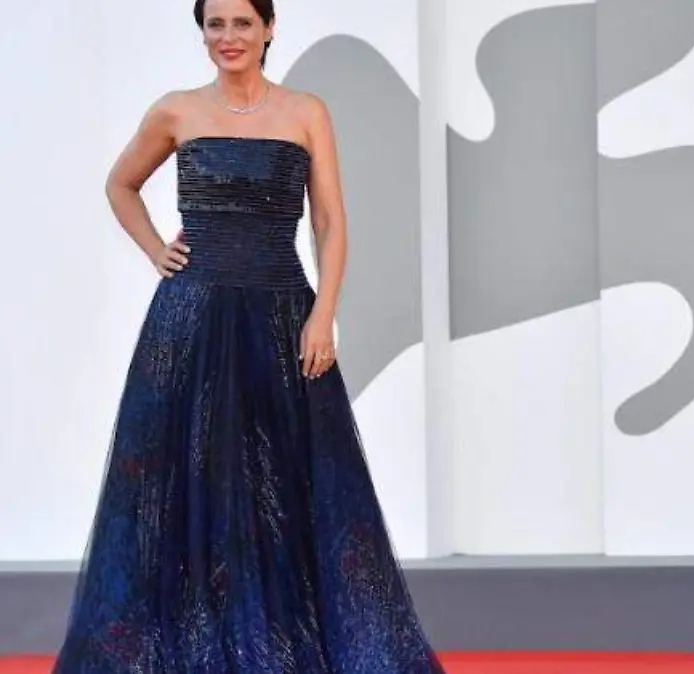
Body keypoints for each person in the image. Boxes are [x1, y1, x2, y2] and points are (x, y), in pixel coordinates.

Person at [51, 0, 445, 671]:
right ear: (202, 33)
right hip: (190, 322)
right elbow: (121, 185)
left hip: (281, 317)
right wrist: (156, 251)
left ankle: (277, 644)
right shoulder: (176, 110)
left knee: (286, 481)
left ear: (268, 29)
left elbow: (330, 221)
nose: (228, 36)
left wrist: (324, 313)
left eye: (242, 23)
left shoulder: (305, 112)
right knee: (183, 482)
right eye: (216, 24)